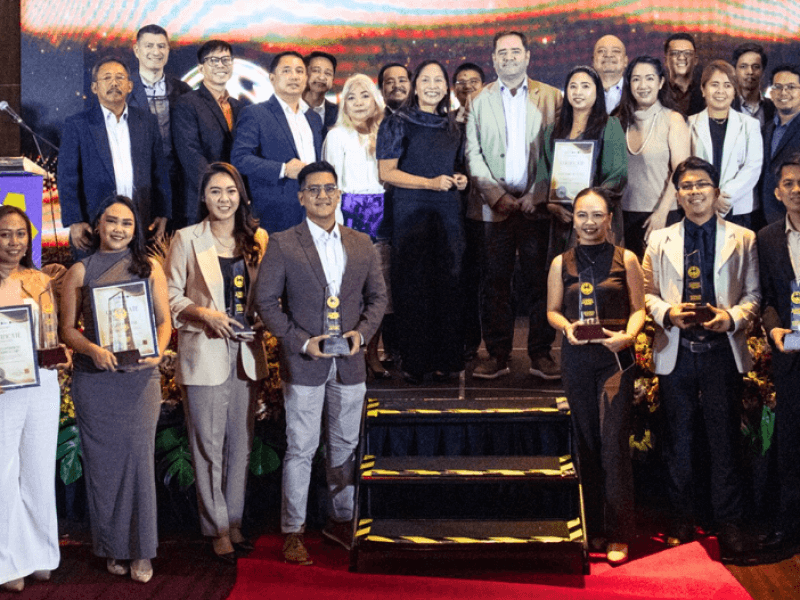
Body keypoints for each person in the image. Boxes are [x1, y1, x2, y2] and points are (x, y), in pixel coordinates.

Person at [255, 161, 387, 565]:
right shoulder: (282, 243)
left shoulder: (362, 242)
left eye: (329, 188)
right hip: (305, 364)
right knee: (301, 449)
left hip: (349, 364)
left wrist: (360, 335)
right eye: (314, 190)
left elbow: (378, 299)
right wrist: (300, 342)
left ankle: (341, 521)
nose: (323, 196)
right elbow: (265, 302)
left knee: (345, 448)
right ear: (301, 197)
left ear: (339, 194)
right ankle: (293, 531)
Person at [642, 157, 759, 555]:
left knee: (724, 438)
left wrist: (731, 318)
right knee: (678, 439)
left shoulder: (743, 238)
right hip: (676, 350)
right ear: (677, 194)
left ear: (716, 190)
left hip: (721, 352)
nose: (695, 191)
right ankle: (680, 519)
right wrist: (666, 313)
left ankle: (728, 523)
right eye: (687, 186)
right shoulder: (659, 239)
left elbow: (754, 296)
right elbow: (645, 293)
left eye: (702, 184)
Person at [60, 195, 172, 583]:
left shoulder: (149, 267)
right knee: (104, 471)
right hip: (95, 382)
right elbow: (67, 330)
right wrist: (91, 349)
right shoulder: (80, 270)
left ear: (135, 229)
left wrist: (156, 351)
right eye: (112, 222)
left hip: (139, 381)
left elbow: (163, 322)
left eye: (127, 223)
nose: (119, 229)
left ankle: (142, 552)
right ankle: (111, 548)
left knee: (139, 464)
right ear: (97, 225)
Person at [165, 162, 268, 563]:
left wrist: (261, 317)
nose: (223, 199)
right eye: (214, 192)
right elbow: (171, 297)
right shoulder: (187, 238)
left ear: (241, 195)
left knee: (240, 445)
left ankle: (236, 521)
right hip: (205, 349)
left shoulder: (258, 239)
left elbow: (265, 295)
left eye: (229, 191)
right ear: (203, 198)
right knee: (207, 447)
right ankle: (217, 528)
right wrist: (207, 315)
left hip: (246, 352)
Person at [546, 187, 644, 565]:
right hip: (576, 358)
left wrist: (629, 336)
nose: (589, 222)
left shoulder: (627, 259)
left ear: (609, 219)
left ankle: (620, 533)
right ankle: (592, 530)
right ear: (573, 218)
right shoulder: (561, 263)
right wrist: (566, 328)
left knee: (613, 442)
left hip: (614, 360)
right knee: (585, 443)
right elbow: (552, 311)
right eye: (582, 215)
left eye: (596, 215)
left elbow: (638, 309)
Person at [466, 30, 562, 380]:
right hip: (493, 210)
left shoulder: (552, 97)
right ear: (493, 59)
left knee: (539, 281)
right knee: (494, 282)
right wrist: (496, 195)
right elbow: (472, 153)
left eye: (515, 51)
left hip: (536, 207)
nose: (508, 57)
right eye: (501, 52)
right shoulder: (478, 99)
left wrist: (537, 193)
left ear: (527, 57)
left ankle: (541, 352)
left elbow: (558, 152)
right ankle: (496, 354)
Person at [377, 59, 468, 382]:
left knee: (450, 283)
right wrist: (429, 183)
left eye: (438, 80)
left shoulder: (453, 124)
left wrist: (460, 179)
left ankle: (448, 358)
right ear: (415, 86)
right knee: (414, 285)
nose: (433, 85)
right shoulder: (396, 122)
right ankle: (417, 361)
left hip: (448, 213)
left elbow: (456, 166)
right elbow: (386, 172)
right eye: (426, 79)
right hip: (411, 212)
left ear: (447, 87)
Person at [0, 207, 68, 592]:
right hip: (4, 389)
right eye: (5, 234)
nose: (14, 242)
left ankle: (41, 553)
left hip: (42, 384)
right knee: (4, 472)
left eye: (20, 234)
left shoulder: (40, 280)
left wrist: (59, 351)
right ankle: (7, 559)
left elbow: (49, 335)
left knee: (39, 470)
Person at [58, 57, 171, 256]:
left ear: (130, 86)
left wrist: (162, 212)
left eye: (120, 78)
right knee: (92, 283)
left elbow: (159, 170)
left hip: (140, 225)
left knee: (138, 280)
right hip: (93, 226)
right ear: (94, 87)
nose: (114, 83)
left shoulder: (146, 122)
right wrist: (74, 220)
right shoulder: (77, 124)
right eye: (107, 78)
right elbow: (67, 177)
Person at [322, 74, 390, 377]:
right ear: (343, 104)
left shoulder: (386, 132)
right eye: (351, 97)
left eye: (365, 95)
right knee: (351, 292)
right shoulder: (337, 136)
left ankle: (373, 354)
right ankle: (349, 355)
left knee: (379, 292)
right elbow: (330, 185)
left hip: (383, 214)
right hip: (350, 214)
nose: (359, 102)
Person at [756, 154, 800, 553]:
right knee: (790, 444)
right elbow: (767, 298)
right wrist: (773, 328)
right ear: (777, 192)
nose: (797, 189)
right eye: (789, 183)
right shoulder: (767, 238)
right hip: (792, 354)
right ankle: (788, 530)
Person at [536, 65, 627, 254]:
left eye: (586, 86)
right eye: (573, 86)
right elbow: (544, 172)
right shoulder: (553, 130)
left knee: (600, 277)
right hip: (562, 219)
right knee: (565, 275)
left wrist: (586, 207)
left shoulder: (610, 126)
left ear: (597, 92)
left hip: (598, 219)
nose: (578, 92)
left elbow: (618, 175)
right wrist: (550, 203)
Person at [231, 51, 323, 233]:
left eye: (299, 71)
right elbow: (240, 158)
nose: (294, 76)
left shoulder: (313, 118)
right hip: (275, 214)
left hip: (314, 208)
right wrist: (284, 169)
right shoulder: (255, 114)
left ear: (306, 78)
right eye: (286, 71)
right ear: (272, 78)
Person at [617, 56, 690, 258]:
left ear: (661, 82)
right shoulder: (619, 121)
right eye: (636, 79)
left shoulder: (673, 119)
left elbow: (681, 171)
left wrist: (662, 213)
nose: (643, 85)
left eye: (649, 78)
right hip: (625, 216)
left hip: (664, 213)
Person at [172, 40, 240, 228]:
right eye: (213, 60)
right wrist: (216, 191)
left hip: (235, 201)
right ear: (201, 68)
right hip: (201, 199)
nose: (220, 65)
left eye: (226, 60)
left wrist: (237, 193)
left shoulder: (240, 106)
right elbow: (190, 153)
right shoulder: (187, 103)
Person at [688, 60, 763, 230]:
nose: (721, 91)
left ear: (734, 91)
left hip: (737, 210)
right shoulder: (689, 124)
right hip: (698, 207)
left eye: (727, 85)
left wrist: (724, 196)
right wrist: (708, 197)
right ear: (703, 89)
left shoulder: (749, 124)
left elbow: (753, 167)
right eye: (714, 85)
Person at [128, 24, 191, 222]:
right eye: (149, 46)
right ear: (137, 50)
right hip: (137, 186)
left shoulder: (184, 91)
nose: (156, 52)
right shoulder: (123, 90)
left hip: (179, 186)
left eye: (161, 46)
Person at [453, 62, 486, 360]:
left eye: (473, 81)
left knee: (482, 278)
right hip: (452, 209)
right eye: (460, 82)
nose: (466, 87)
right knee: (458, 278)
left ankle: (484, 341)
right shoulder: (446, 120)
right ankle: (463, 338)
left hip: (485, 209)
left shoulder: (490, 118)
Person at [761, 65, 800, 225]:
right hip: (766, 219)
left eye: (791, 87)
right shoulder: (765, 129)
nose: (783, 93)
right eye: (777, 87)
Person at [731, 43, 775, 131]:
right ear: (735, 71)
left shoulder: (773, 109)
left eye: (756, 67)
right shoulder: (725, 106)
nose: (750, 71)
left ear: (763, 72)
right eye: (743, 66)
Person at [664, 33, 704, 118]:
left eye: (688, 53)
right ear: (666, 60)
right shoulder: (658, 93)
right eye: (675, 53)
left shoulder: (705, 92)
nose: (682, 58)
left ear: (695, 60)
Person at [303, 51, 338, 136]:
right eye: (316, 71)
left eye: (328, 73)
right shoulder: (288, 109)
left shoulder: (340, 113)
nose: (322, 77)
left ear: (333, 79)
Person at [592, 35, 628, 114]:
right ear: (593, 60)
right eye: (601, 51)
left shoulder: (636, 92)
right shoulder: (582, 93)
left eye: (615, 51)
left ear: (625, 61)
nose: (608, 55)